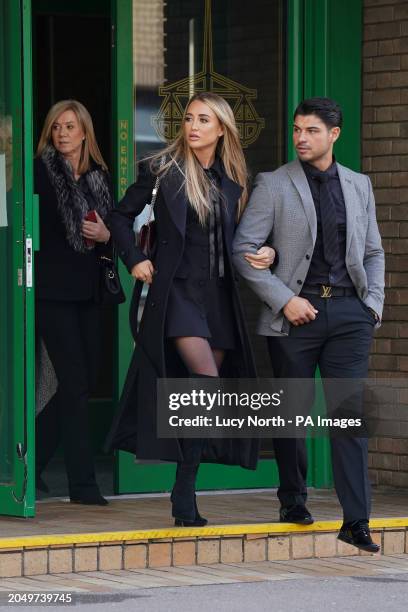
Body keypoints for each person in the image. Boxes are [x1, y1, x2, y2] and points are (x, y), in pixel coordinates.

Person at [105, 92, 274, 526]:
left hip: (218, 296)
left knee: (200, 396)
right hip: (177, 291)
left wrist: (266, 253)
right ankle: (183, 496)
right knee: (206, 381)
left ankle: (185, 491)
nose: (193, 126)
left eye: (204, 119)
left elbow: (241, 241)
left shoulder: (233, 179)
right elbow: (119, 218)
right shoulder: (163, 170)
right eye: (189, 118)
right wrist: (134, 260)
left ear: (221, 129)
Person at [233, 97, 384, 552]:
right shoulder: (274, 184)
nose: (301, 137)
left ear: (334, 134)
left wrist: (372, 305)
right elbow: (245, 249)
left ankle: (356, 520)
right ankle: (293, 498)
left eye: (311, 130)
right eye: (297, 129)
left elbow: (373, 251)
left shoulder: (359, 185)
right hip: (294, 318)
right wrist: (285, 301)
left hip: (348, 315)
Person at [35, 100, 112, 505]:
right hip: (49, 293)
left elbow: (114, 230)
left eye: (70, 126)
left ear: (85, 132)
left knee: (79, 381)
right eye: (56, 128)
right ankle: (83, 485)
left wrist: (106, 236)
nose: (62, 133)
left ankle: (32, 462)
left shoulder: (98, 178)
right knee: (76, 382)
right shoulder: (39, 174)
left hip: (88, 293)